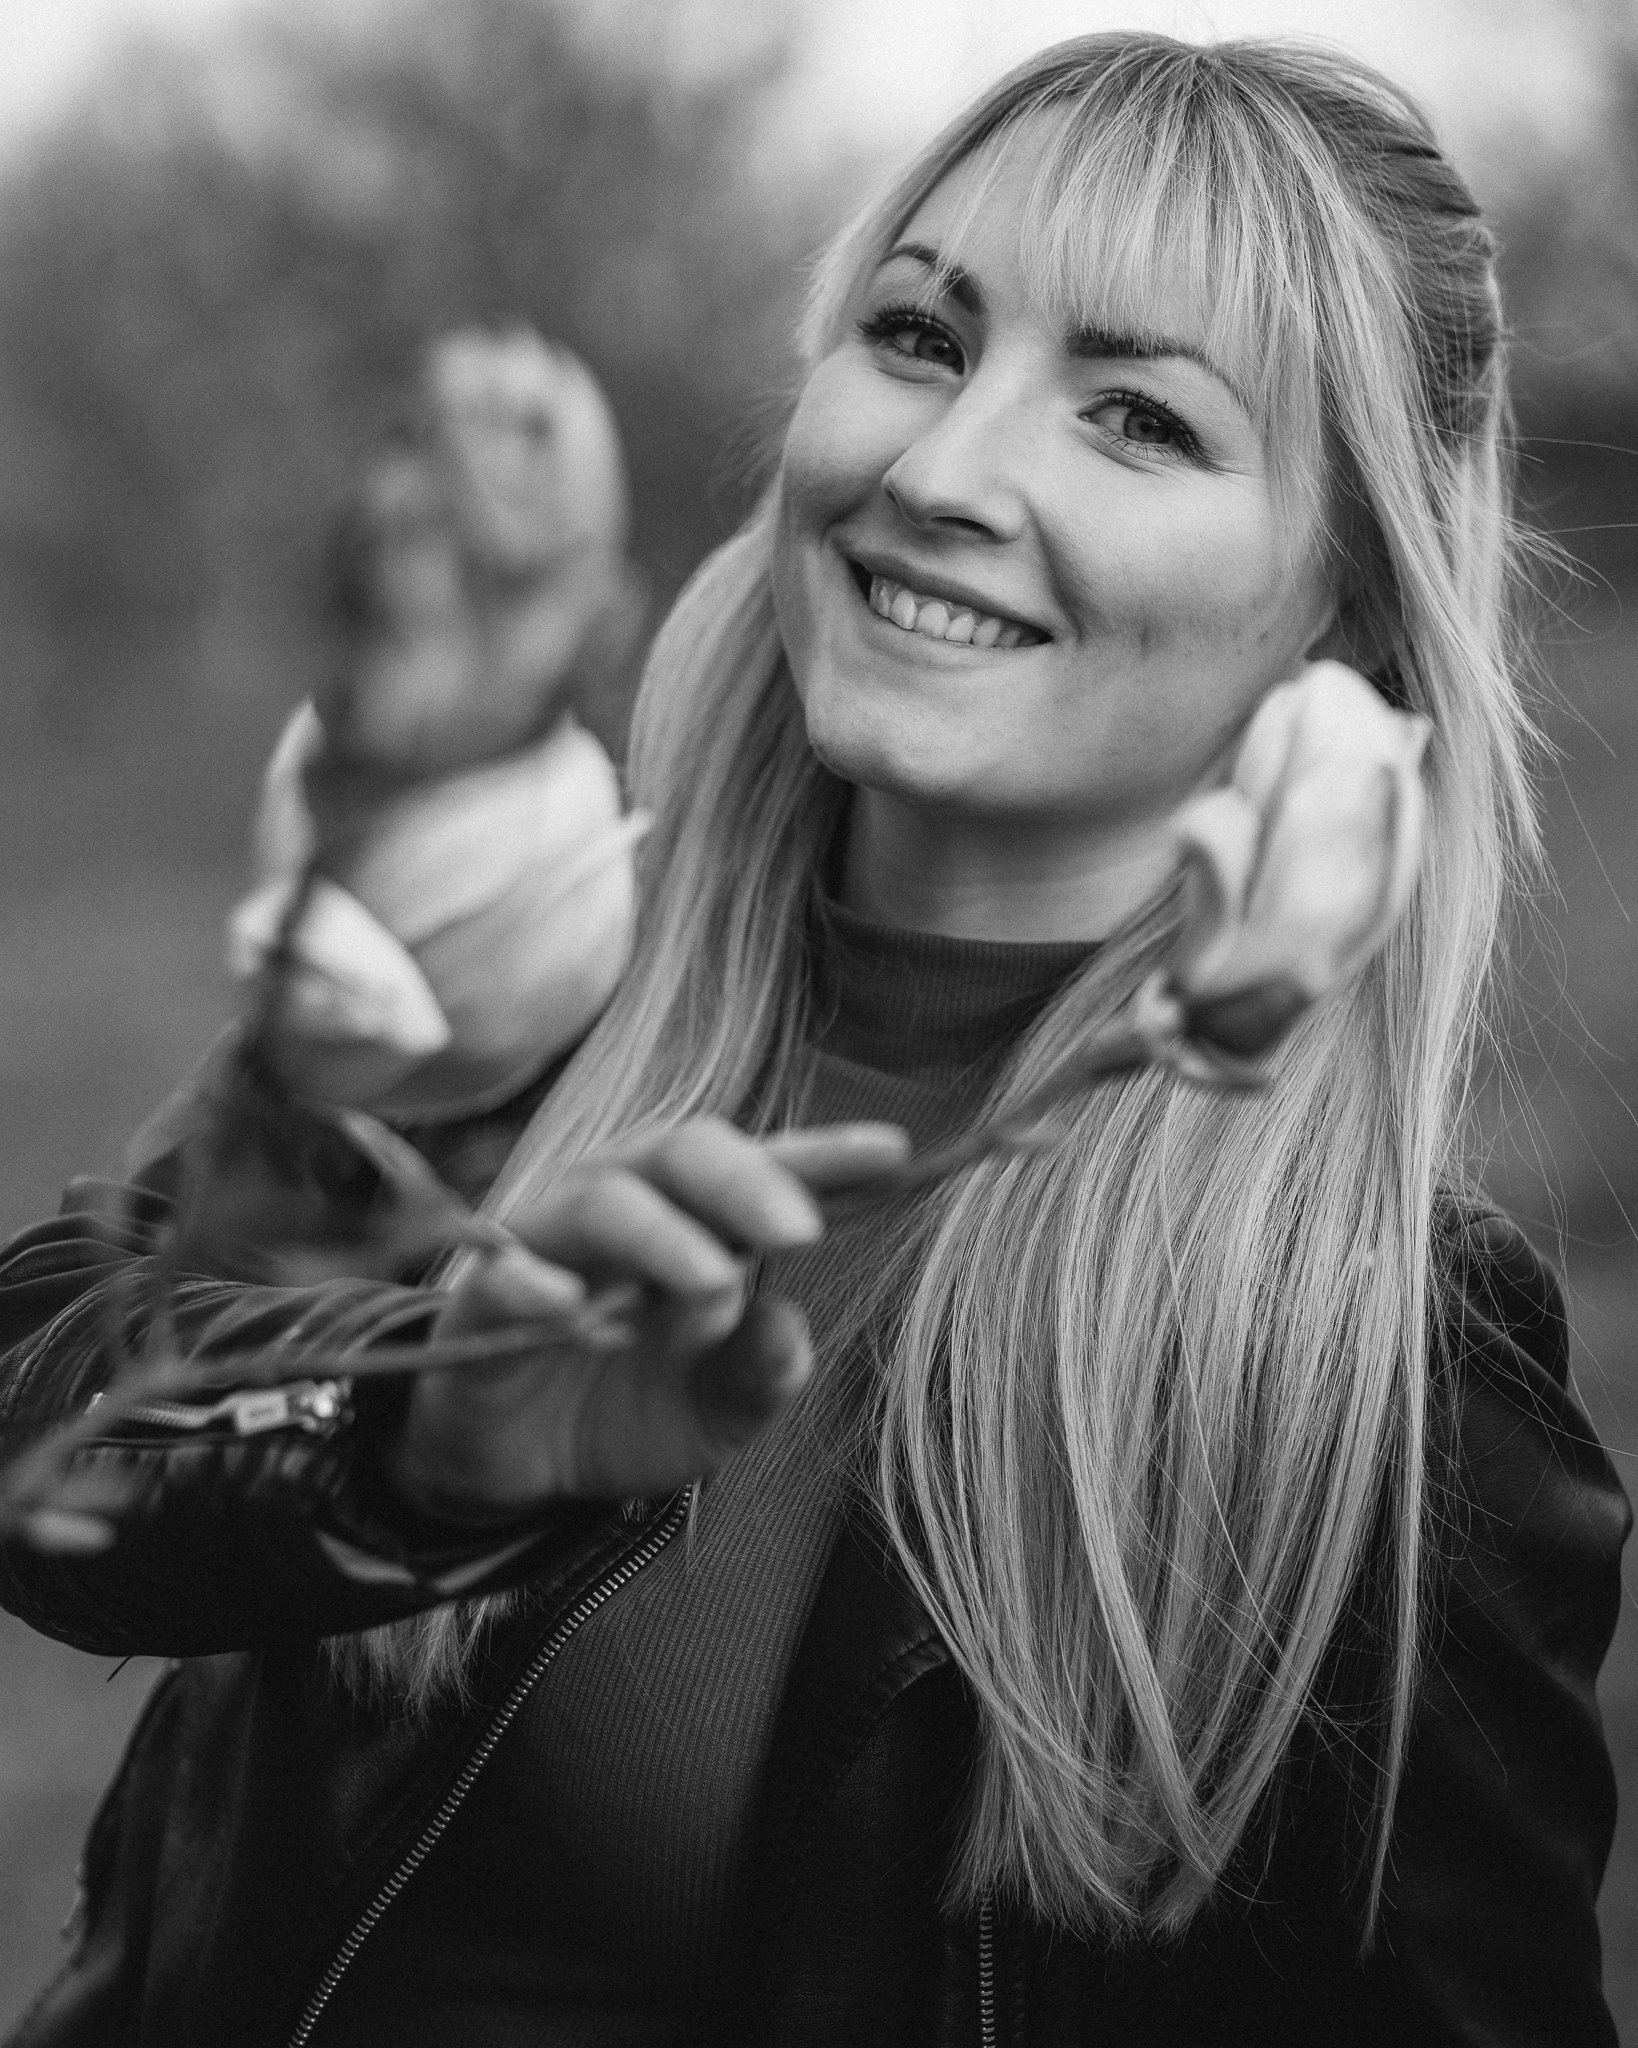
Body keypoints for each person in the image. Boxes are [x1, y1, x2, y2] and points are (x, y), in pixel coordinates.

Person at [0, 32, 1629, 2048]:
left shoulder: (1384, 1378)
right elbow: (44, 1428)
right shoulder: (528, 981)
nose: (941, 473)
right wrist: (425, 1444)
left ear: (1351, 609)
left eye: (1135, 415)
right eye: (920, 338)